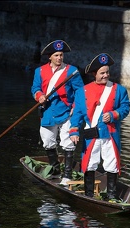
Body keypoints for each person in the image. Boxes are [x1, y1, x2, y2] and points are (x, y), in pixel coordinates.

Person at [69, 53, 130, 202]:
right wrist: (74, 130)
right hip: (91, 133)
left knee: (112, 164)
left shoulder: (119, 90)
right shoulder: (82, 91)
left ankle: (111, 196)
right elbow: (77, 113)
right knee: (90, 163)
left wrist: (114, 114)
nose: (106, 75)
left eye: (107, 72)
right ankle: (89, 195)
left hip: (110, 133)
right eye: (102, 73)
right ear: (94, 74)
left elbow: (125, 107)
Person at [31, 39, 84, 186]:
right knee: (48, 140)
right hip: (47, 110)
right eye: (56, 55)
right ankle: (55, 171)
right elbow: (35, 88)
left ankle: (67, 175)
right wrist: (39, 96)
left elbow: (80, 91)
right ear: (50, 57)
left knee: (68, 141)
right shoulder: (40, 71)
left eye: (61, 55)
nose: (59, 58)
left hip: (67, 111)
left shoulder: (72, 72)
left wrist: (76, 107)